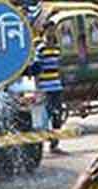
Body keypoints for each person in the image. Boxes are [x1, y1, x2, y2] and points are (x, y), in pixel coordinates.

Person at [33, 20, 66, 154]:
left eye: (54, 30)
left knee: (57, 115)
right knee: (45, 116)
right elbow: (36, 68)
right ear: (45, 31)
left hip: (56, 85)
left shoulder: (57, 48)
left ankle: (54, 144)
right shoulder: (40, 48)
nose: (52, 33)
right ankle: (40, 144)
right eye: (50, 30)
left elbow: (59, 67)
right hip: (45, 86)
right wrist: (37, 87)